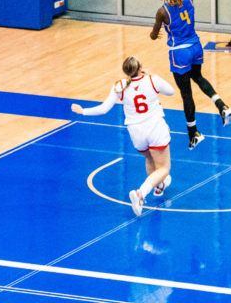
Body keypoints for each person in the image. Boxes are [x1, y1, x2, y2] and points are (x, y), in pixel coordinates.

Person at [150, 0, 231, 151]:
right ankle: (221, 105)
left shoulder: (163, 11)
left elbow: (153, 35)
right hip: (196, 45)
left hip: (179, 52)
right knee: (199, 77)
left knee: (186, 93)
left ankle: (193, 134)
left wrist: (156, 32)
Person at [71, 56, 174, 217]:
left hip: (136, 131)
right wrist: (151, 75)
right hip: (154, 127)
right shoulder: (152, 80)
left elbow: (104, 109)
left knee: (149, 159)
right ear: (140, 68)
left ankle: (158, 187)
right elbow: (171, 91)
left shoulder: (120, 86)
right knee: (164, 168)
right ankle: (141, 192)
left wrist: (83, 111)